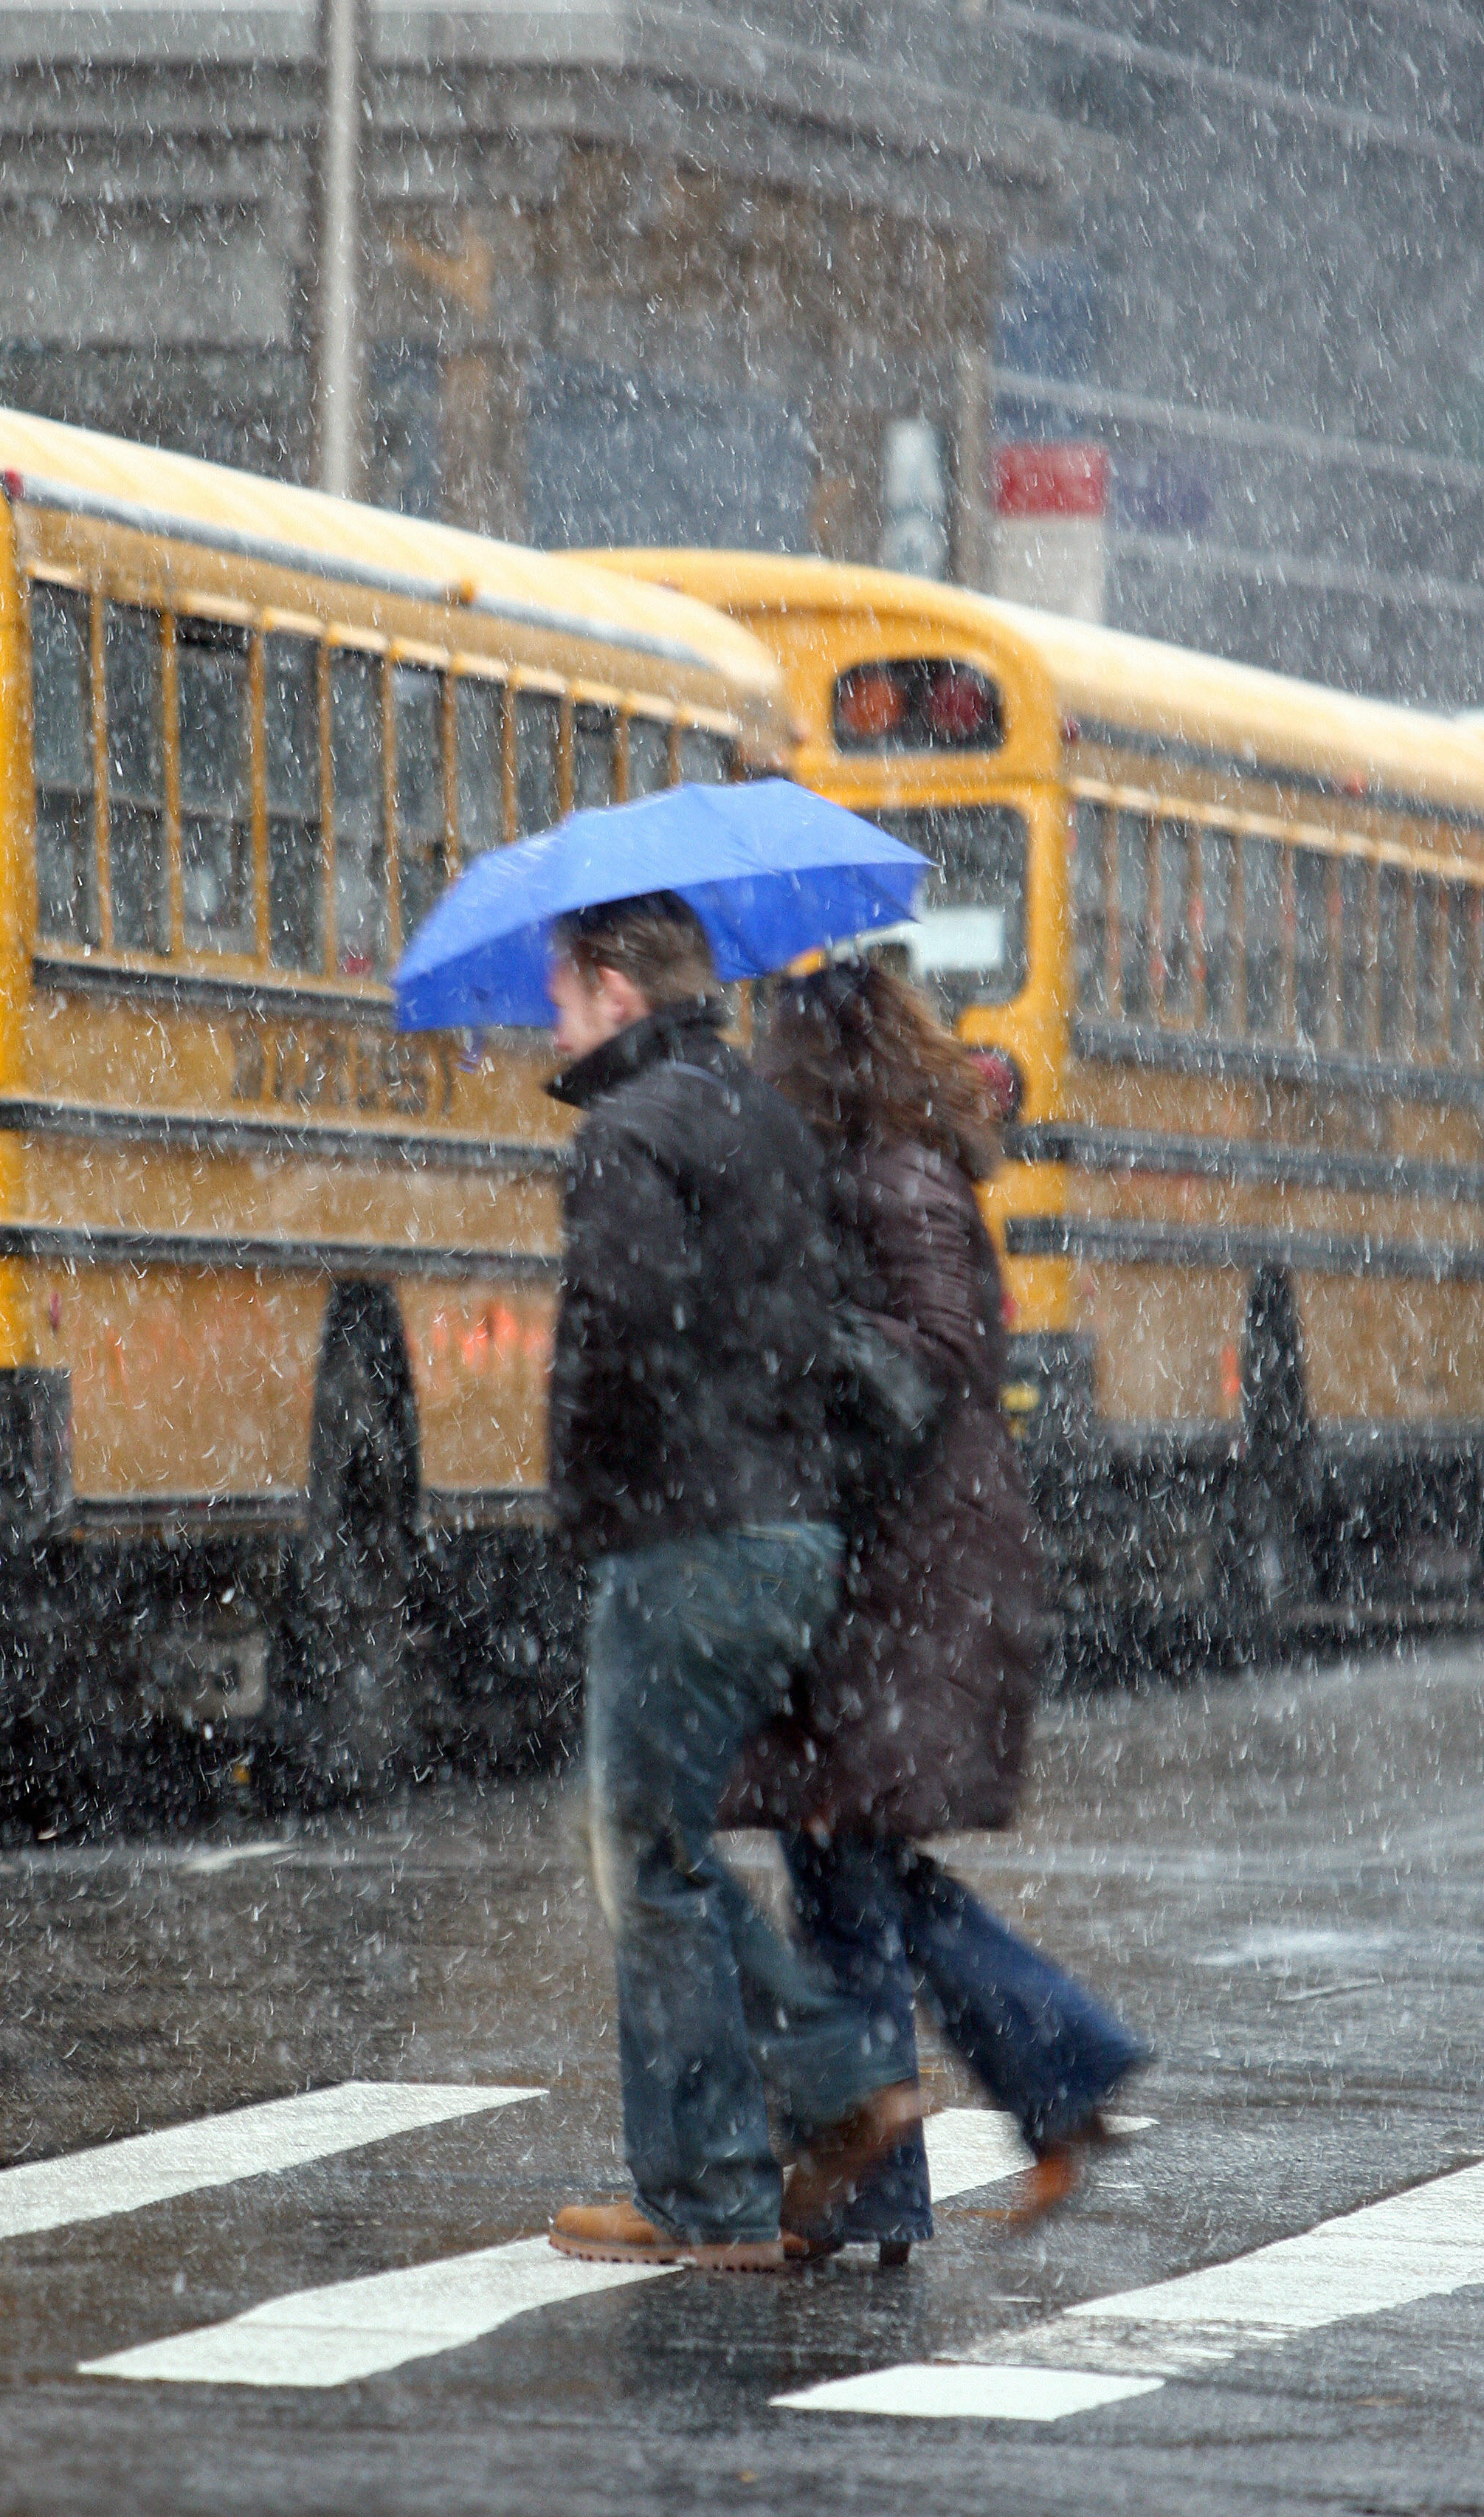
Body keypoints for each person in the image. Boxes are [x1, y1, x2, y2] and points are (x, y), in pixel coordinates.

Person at [725, 959, 1149, 2259]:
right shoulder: (877, 1165)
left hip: (909, 1583)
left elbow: (933, 1352)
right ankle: (1016, 2097)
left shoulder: (890, 1175)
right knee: (852, 1866)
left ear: (825, 1053)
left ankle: (1028, 2086)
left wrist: (805, 1348)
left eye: (774, 1045)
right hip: (904, 1570)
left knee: (842, 1861)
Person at [542, 893, 921, 2273]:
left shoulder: (626, 1136)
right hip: (790, 1529)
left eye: (564, 990)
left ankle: (726, 2179)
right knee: (675, 1854)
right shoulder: (762, 1116)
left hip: (688, 1536)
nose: (553, 1016)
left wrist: (583, 1506)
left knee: (650, 1860)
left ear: (616, 993)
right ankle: (779, 2132)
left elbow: (621, 1332)